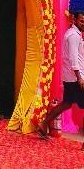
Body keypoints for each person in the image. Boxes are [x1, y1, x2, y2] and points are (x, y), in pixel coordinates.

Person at [37, 11, 84, 139]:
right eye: (81, 21)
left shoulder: (74, 34)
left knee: (66, 103)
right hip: (75, 78)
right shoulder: (73, 36)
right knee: (67, 103)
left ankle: (43, 123)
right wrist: (80, 78)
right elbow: (74, 59)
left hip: (70, 77)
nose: (83, 24)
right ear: (74, 19)